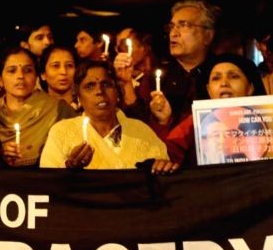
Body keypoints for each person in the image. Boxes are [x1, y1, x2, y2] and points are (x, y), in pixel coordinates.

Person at [40, 61, 173, 172]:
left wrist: (162, 167)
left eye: (106, 85)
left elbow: (163, 173)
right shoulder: (61, 132)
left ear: (118, 92)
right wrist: (70, 168)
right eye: (90, 86)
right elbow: (49, 186)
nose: (99, 91)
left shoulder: (141, 131)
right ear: (77, 95)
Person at [151, 54, 267, 168]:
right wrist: (164, 123)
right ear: (209, 90)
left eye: (234, 76)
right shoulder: (194, 122)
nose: (224, 83)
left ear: (250, 88)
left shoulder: (271, 117)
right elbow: (169, 152)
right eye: (216, 78)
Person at [0, 47, 77, 167]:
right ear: (0, 80)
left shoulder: (59, 110)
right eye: (12, 71)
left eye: (28, 70)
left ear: (36, 78)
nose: (20, 76)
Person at [153, 0, 220, 128]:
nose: (173, 33)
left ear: (208, 35)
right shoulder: (158, 78)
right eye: (171, 27)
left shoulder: (223, 73)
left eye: (183, 25)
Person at [39, 45, 79, 109]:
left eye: (69, 65)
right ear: (43, 74)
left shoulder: (86, 107)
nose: (63, 72)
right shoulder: (36, 111)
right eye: (55, 66)